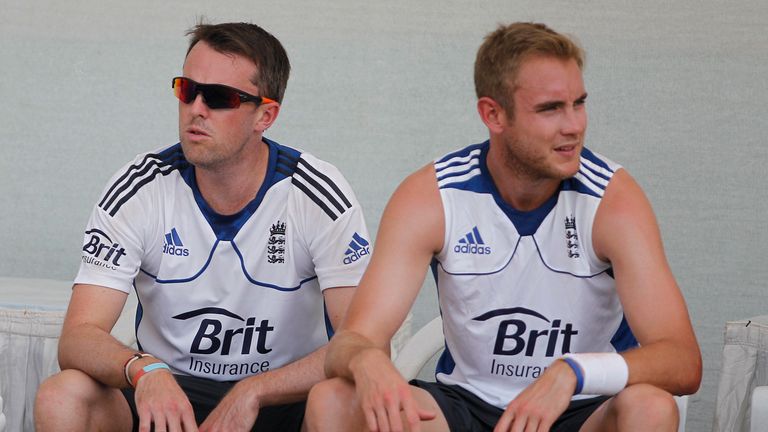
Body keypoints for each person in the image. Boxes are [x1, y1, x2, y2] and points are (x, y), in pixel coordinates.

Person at [305, 22, 702, 432]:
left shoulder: (613, 199)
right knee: (333, 399)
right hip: (466, 407)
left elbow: (682, 360)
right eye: (550, 109)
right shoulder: (431, 195)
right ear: (493, 114)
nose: (574, 126)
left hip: (580, 409)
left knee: (651, 406)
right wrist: (365, 358)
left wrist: (573, 372)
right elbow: (352, 340)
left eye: (578, 103)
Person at [34, 22, 371, 432]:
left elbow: (363, 344)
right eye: (187, 89)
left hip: (283, 396)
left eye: (218, 97)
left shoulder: (314, 191)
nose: (196, 108)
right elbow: (78, 337)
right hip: (168, 394)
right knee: (63, 396)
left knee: (345, 401)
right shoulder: (141, 187)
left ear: (265, 115)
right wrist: (144, 370)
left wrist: (253, 391)